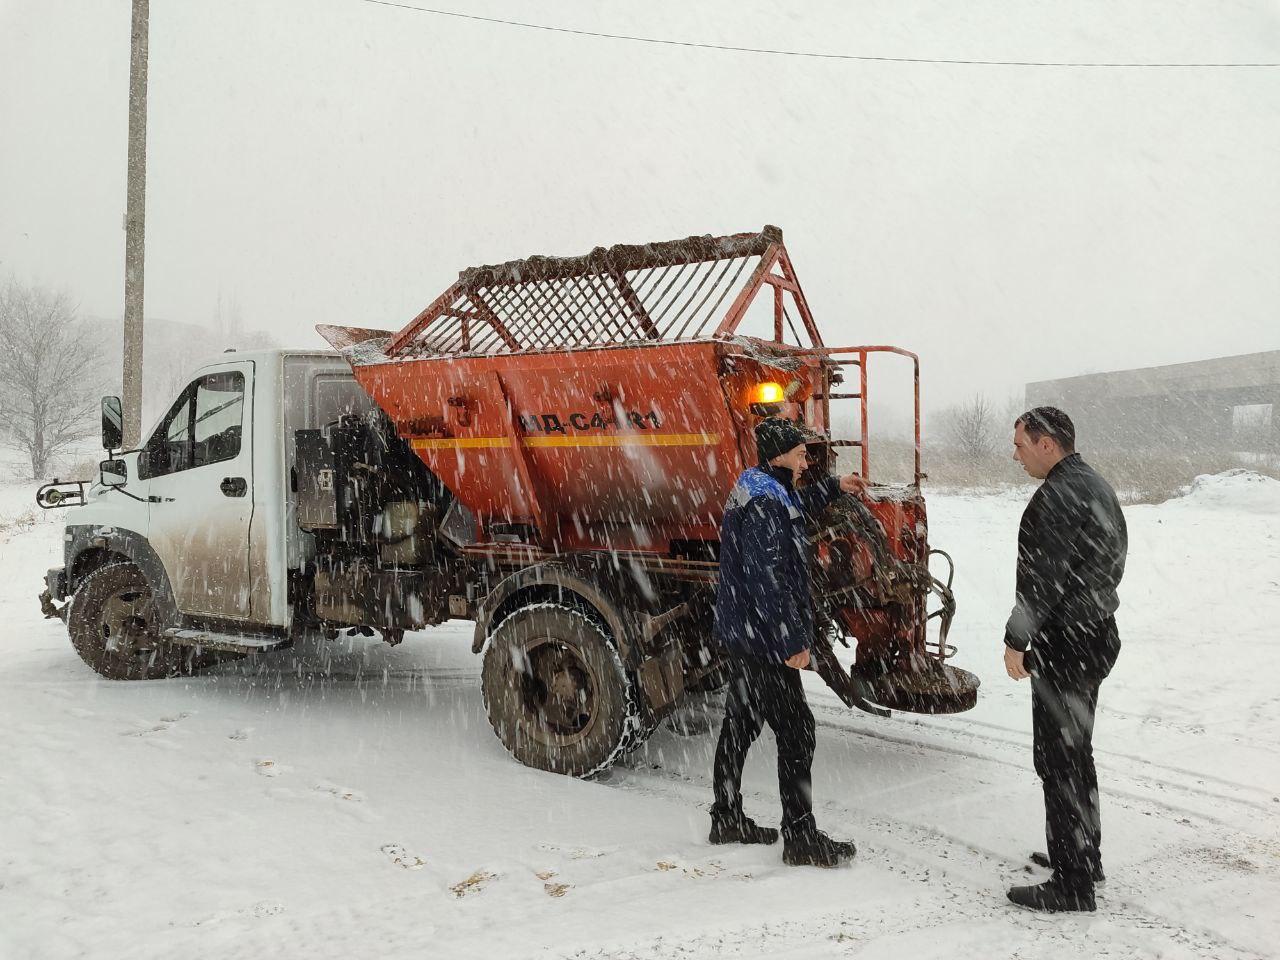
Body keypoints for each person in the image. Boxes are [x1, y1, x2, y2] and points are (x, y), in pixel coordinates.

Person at [710, 416, 867, 867]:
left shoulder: (762, 487)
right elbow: (768, 578)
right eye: (800, 453)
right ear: (779, 454)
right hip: (764, 638)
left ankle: (725, 816)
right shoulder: (764, 501)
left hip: (747, 632)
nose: (805, 460)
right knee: (798, 731)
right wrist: (792, 642)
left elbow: (792, 507)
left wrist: (835, 486)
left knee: (739, 723)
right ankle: (800, 838)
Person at [1003, 406, 1127, 913]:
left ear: (1047, 444)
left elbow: (1042, 581)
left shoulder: (1055, 498)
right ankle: (1083, 855)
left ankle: (1072, 884)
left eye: (1020, 445)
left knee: (1058, 759)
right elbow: (1109, 559)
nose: (1016, 455)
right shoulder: (1096, 486)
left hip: (1068, 644)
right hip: (1095, 634)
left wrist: (1016, 640)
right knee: (1077, 751)